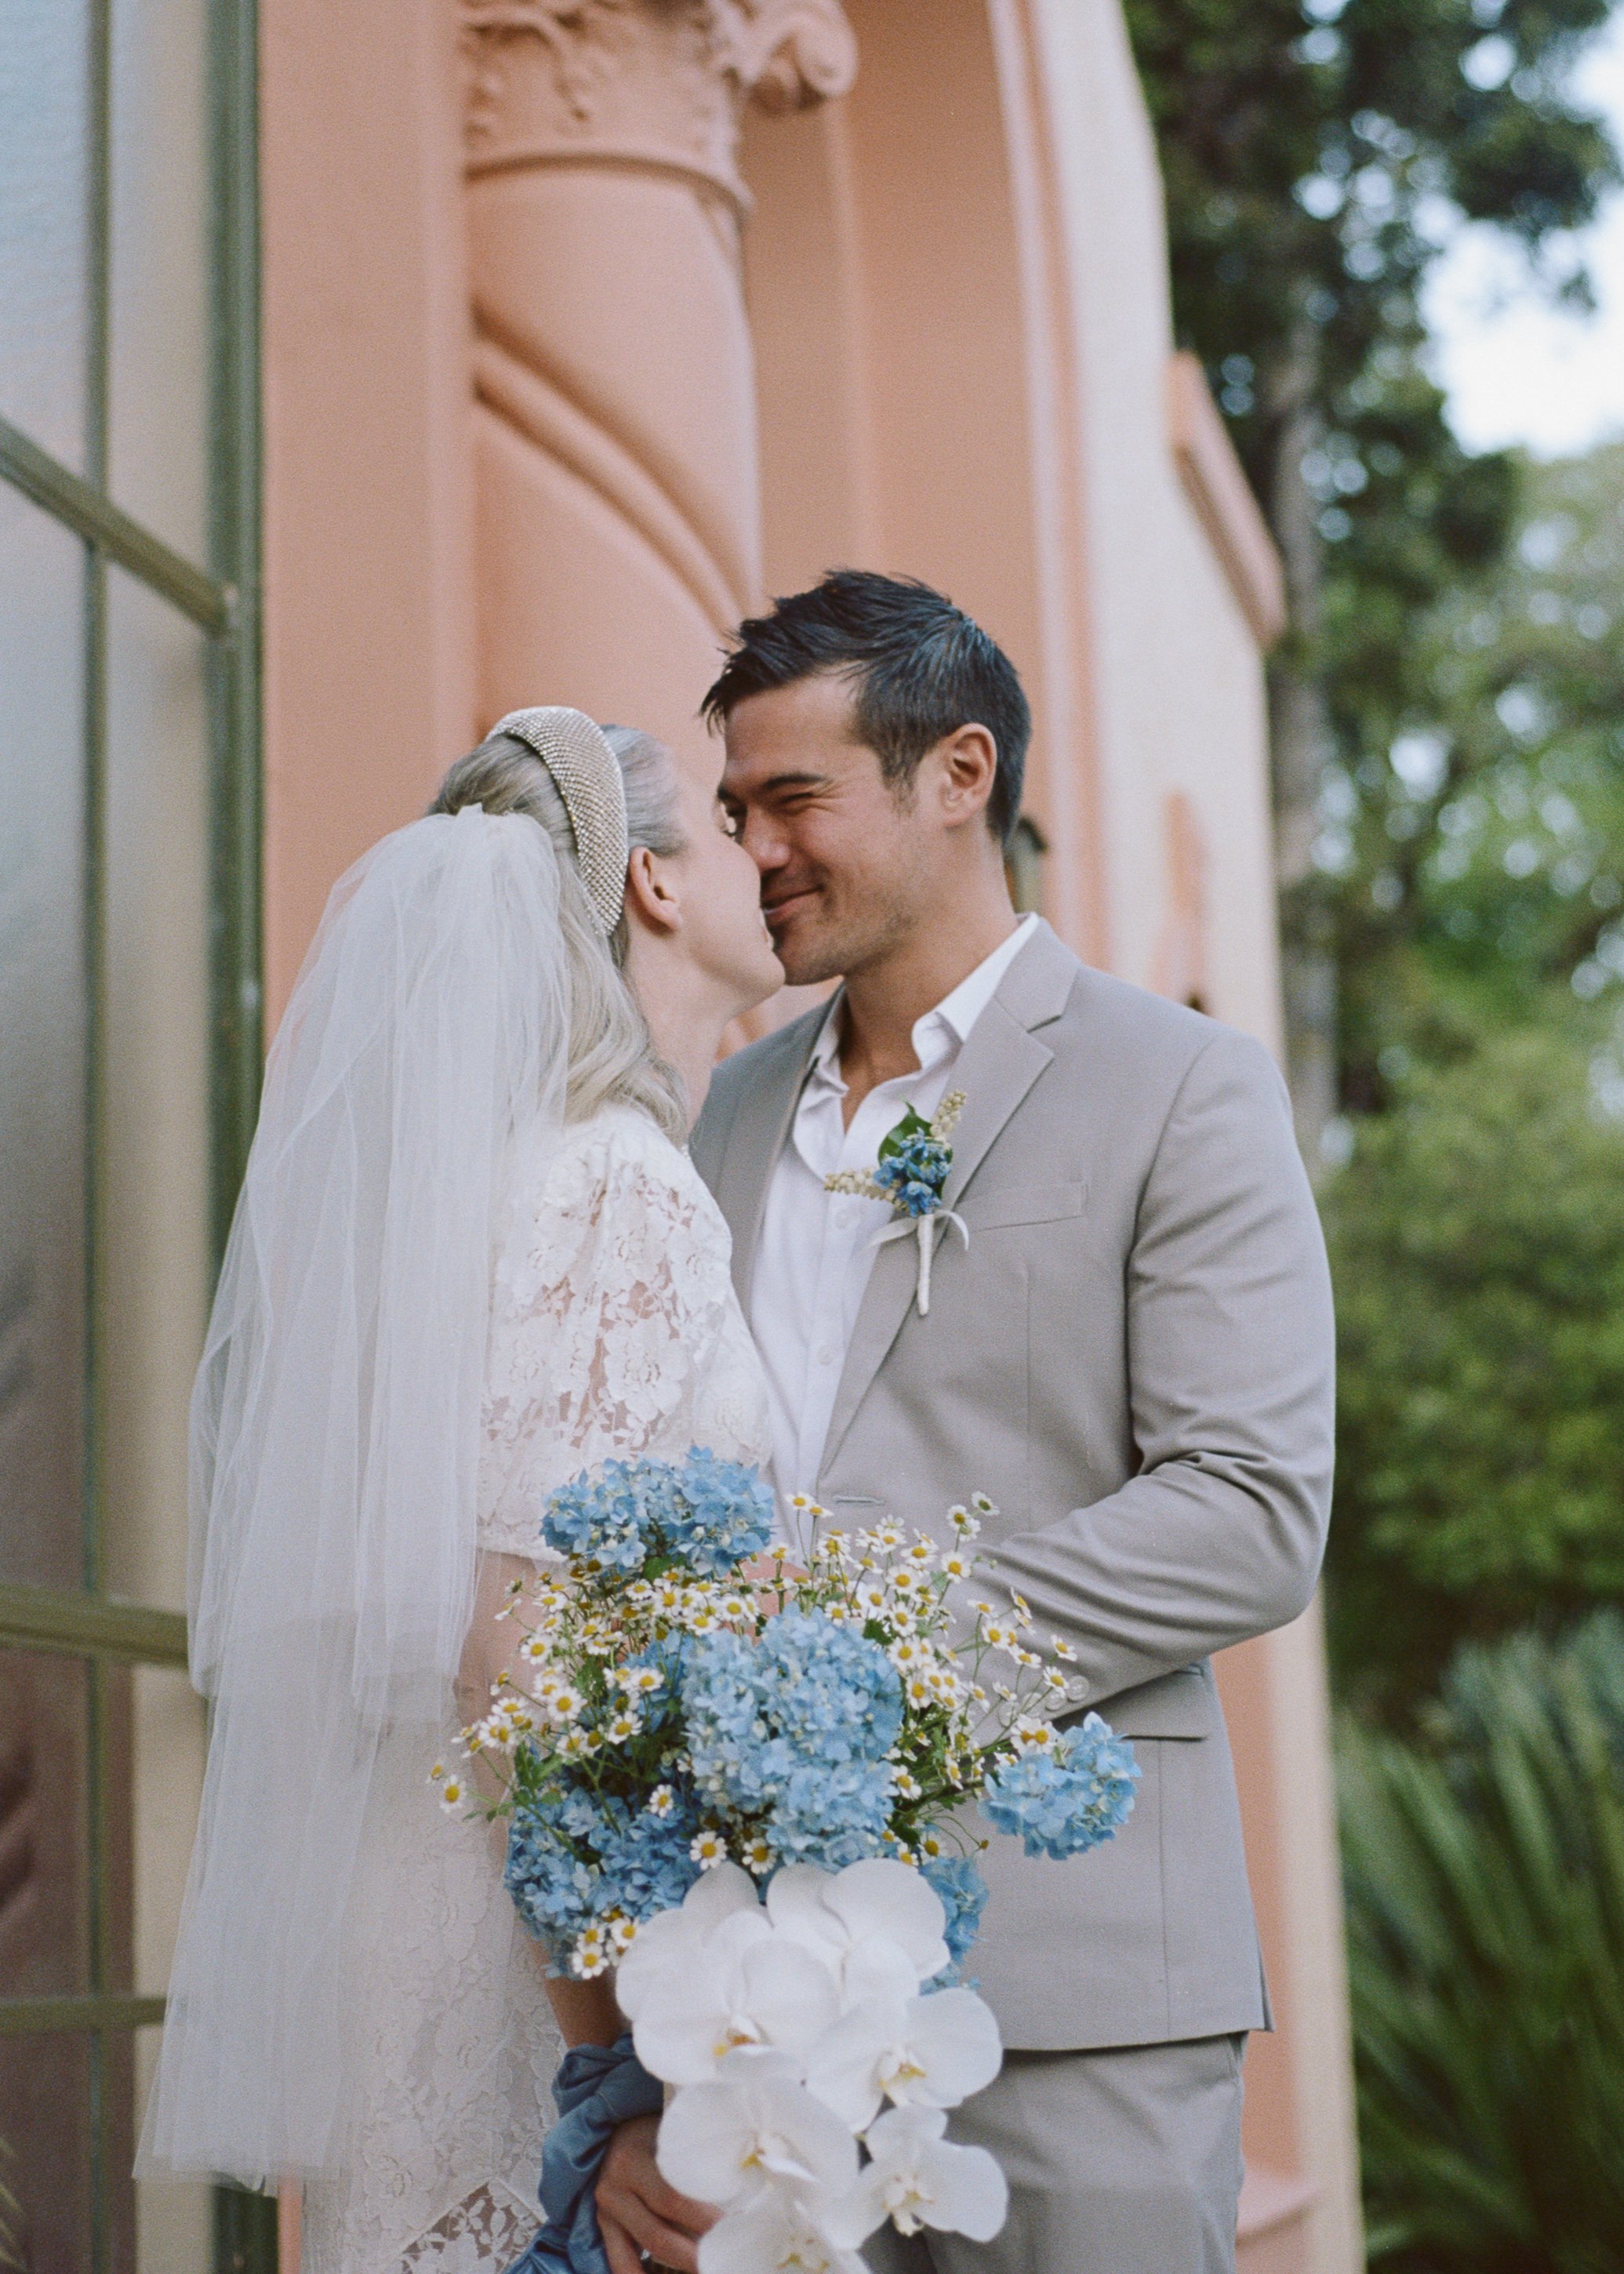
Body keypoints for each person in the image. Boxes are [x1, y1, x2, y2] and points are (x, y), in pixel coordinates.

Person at [616, 568, 1332, 2274]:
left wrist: (858, 1653)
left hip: (1074, 1980)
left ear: (958, 775)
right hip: (752, 2022)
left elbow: (1246, 1510)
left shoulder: (1180, 1086)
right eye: (734, 814)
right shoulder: (710, 1122)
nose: (756, 850)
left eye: (794, 800)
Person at [137, 710, 779, 2272]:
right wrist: (618, 2065)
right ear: (652, 884)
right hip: (535, 1964)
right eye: (730, 815)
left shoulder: (475, 1200)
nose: (766, 844)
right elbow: (515, 1645)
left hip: (436, 1894)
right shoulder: (614, 1183)